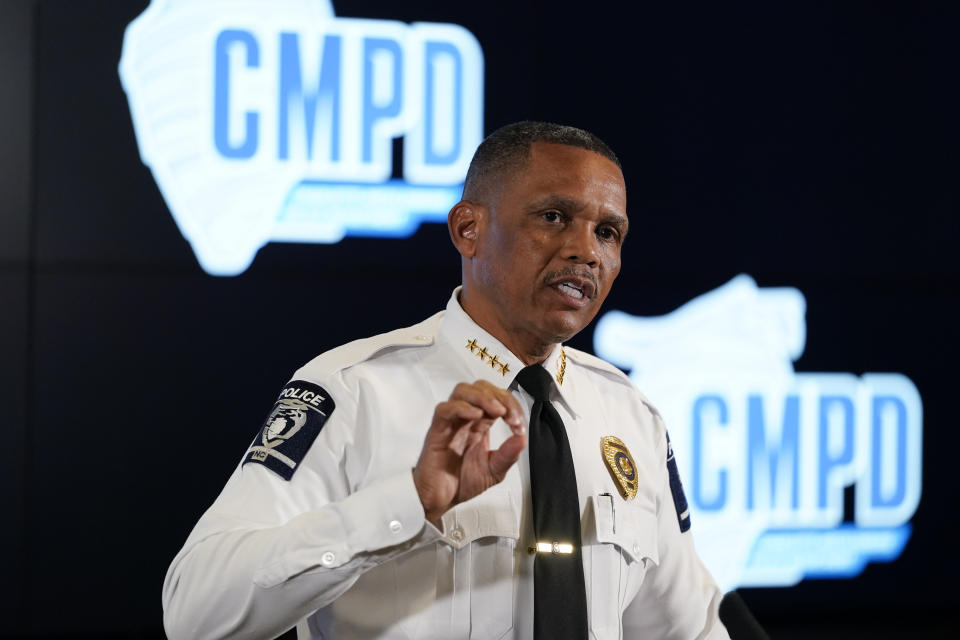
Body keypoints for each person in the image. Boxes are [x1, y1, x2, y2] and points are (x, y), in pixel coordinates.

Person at [162, 122, 731, 640]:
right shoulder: (354, 390)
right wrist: (407, 502)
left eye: (608, 232)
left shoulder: (630, 416)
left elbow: (689, 631)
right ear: (468, 229)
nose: (586, 251)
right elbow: (195, 613)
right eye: (553, 217)